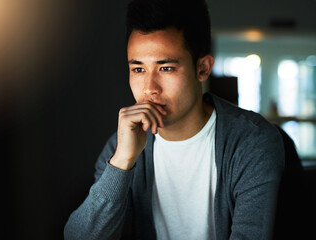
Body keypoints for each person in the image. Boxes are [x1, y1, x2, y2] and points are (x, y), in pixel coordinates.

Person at [64, 0, 285, 239]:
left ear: (203, 68)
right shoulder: (121, 147)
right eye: (138, 69)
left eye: (166, 68)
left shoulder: (251, 142)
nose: (149, 88)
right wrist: (122, 161)